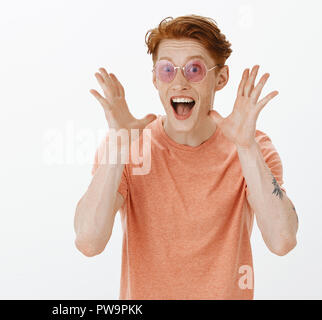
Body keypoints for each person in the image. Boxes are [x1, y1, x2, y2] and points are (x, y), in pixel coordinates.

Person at [73, 15, 298, 300]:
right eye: (167, 70)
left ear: (221, 78)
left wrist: (246, 147)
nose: (179, 82)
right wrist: (119, 148)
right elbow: (88, 242)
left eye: (194, 69)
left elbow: (282, 240)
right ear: (155, 79)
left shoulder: (254, 148)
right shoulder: (127, 146)